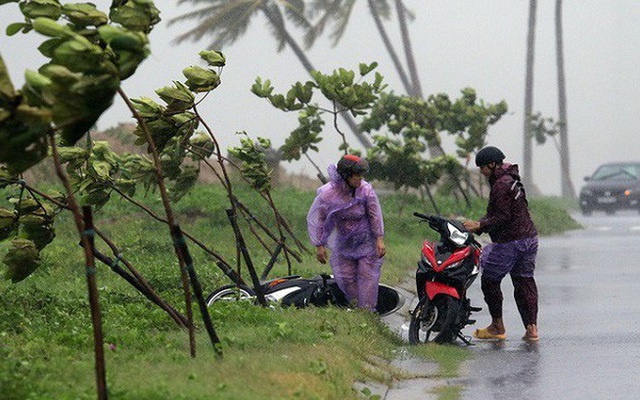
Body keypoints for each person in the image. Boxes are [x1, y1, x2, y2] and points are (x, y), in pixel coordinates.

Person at [463, 146, 540, 341]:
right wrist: (481, 223)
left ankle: (497, 326)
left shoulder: (501, 184)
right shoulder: (511, 179)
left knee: (489, 280)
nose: (481, 172)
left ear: (492, 164)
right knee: (524, 282)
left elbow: (502, 216)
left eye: (483, 168)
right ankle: (532, 329)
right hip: (529, 239)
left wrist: (479, 225)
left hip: (511, 241)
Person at [307, 154, 386, 311]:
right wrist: (319, 245)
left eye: (361, 175)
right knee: (346, 277)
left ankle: (368, 312)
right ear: (345, 175)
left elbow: (375, 215)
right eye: (356, 175)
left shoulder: (365, 191)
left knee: (367, 278)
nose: (359, 179)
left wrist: (379, 238)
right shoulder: (329, 193)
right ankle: (357, 306)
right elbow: (319, 219)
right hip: (344, 244)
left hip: (366, 243)